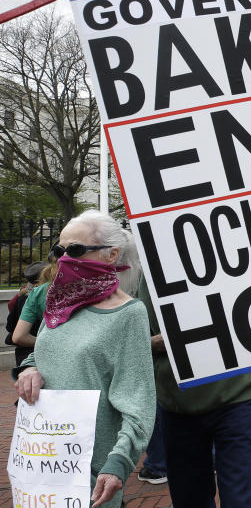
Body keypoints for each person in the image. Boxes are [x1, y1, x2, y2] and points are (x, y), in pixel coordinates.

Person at [14, 210, 154, 508]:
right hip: (41, 459)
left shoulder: (129, 315)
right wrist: (30, 368)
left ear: (111, 254)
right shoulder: (60, 299)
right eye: (59, 250)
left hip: (89, 470)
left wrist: (119, 461)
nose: (64, 259)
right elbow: (43, 352)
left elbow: (138, 399)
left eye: (76, 250)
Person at [137, 277, 251, 507]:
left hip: (236, 396)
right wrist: (158, 342)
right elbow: (130, 339)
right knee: (189, 498)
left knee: (239, 499)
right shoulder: (147, 270)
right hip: (177, 403)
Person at [5, 261, 45, 367]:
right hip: (37, 350)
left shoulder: (21, 296)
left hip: (23, 351)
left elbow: (10, 326)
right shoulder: (43, 297)